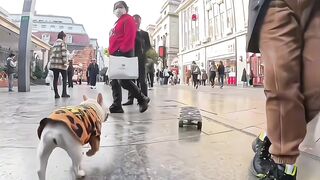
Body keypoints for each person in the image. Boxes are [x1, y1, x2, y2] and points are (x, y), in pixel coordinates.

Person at [247, 0, 319, 179]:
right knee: (282, 82)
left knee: (315, 88)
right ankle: (282, 165)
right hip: (276, 4)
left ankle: (269, 137)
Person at [108, 1, 149, 113]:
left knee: (123, 80)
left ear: (126, 8)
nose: (118, 9)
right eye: (116, 7)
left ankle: (142, 98)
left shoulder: (128, 19)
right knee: (114, 80)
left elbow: (130, 36)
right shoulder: (117, 22)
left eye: (121, 7)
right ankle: (117, 104)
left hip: (122, 52)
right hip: (115, 53)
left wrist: (122, 49)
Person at [123, 14, 151, 106]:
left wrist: (147, 57)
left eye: (138, 21)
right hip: (131, 59)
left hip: (141, 60)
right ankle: (130, 99)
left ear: (140, 21)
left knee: (142, 80)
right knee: (131, 79)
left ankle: (144, 98)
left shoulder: (145, 34)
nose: (136, 22)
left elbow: (148, 47)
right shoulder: (129, 32)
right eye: (134, 20)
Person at [49, 31, 70, 98]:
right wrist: (65, 63)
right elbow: (64, 53)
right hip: (61, 64)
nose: (65, 39)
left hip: (54, 64)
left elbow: (52, 53)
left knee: (55, 79)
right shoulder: (62, 43)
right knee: (64, 78)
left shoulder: (55, 43)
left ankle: (56, 94)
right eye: (65, 37)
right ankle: (64, 93)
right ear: (63, 37)